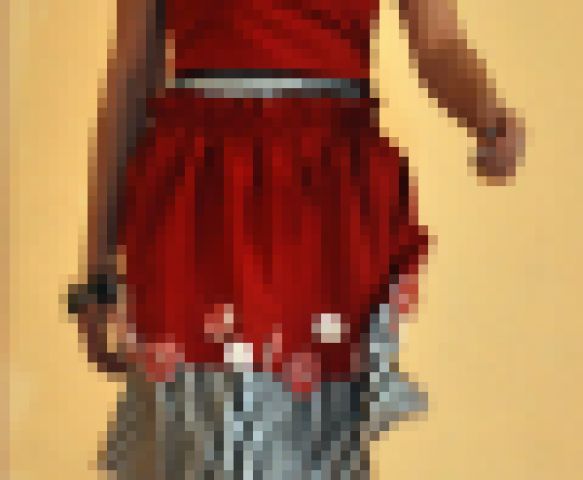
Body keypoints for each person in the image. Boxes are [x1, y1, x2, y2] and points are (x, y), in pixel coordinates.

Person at [69, 0, 523, 478]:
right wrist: (97, 270)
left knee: (306, 440)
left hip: (322, 198)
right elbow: (133, 69)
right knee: (196, 428)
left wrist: (487, 115)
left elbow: (439, 43)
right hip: (199, 189)